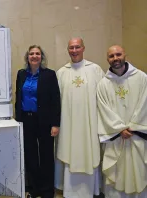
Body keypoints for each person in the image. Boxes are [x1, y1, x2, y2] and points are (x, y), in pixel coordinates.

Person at [55, 38, 104, 198]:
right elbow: (55, 102)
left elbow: (104, 98)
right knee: (70, 153)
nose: (74, 50)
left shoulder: (95, 70)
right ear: (68, 50)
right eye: (71, 48)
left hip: (90, 124)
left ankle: (91, 190)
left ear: (83, 48)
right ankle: (69, 191)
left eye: (77, 47)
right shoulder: (61, 72)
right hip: (68, 125)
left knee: (89, 151)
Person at [97, 45, 147, 198]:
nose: (115, 59)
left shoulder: (141, 78)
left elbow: (145, 103)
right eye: (111, 56)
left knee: (138, 171)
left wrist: (133, 127)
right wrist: (119, 128)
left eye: (118, 54)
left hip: (136, 136)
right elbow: (103, 109)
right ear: (107, 59)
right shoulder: (103, 84)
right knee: (116, 174)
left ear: (125, 55)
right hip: (116, 137)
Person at [15, 45, 61, 198]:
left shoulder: (49, 75)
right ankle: (34, 189)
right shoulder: (21, 74)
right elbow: (18, 97)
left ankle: (47, 191)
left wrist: (55, 124)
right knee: (31, 156)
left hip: (44, 121)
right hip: (26, 121)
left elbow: (55, 100)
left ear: (42, 57)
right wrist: (18, 120)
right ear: (27, 57)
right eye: (31, 54)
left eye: (37, 54)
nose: (34, 56)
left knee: (46, 156)